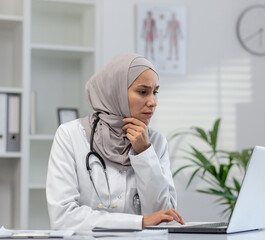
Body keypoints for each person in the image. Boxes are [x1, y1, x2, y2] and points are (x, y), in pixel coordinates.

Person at [46, 53, 184, 230]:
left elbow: (164, 217)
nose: (153, 102)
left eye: (155, 92)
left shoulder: (155, 142)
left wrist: (144, 153)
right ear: (115, 91)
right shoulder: (70, 135)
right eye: (143, 92)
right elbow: (63, 218)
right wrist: (139, 222)